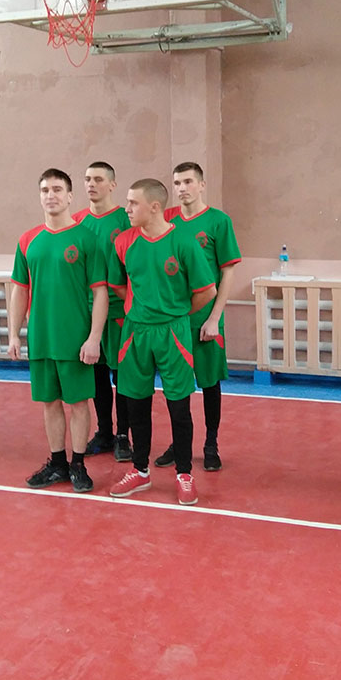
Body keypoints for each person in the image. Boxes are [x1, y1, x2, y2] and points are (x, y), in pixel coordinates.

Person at [107, 178, 217, 506]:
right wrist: (141, 309)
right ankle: (140, 470)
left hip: (173, 333)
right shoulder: (124, 242)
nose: (127, 209)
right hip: (135, 333)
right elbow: (118, 286)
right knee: (135, 403)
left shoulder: (183, 242)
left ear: (154, 207)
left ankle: (184, 473)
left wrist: (176, 313)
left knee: (179, 406)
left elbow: (207, 291)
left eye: (133, 203)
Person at [8, 169, 108, 493]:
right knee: (49, 403)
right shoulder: (28, 240)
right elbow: (20, 289)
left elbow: (101, 292)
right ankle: (58, 464)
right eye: (45, 190)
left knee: (79, 403)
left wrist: (94, 338)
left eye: (57, 189)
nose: (50, 195)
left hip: (75, 340)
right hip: (41, 338)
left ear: (69, 196)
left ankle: (78, 464)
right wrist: (13, 334)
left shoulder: (87, 239)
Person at [154, 162, 241, 472]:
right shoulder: (167, 219)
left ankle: (211, 443)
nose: (182, 188)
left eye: (188, 181)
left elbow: (227, 272)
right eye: (177, 183)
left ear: (202, 185)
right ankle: (180, 444)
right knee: (176, 386)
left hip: (205, 318)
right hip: (174, 319)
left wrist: (214, 317)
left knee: (209, 383)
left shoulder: (219, 221)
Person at [73, 161, 132, 462]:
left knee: (122, 376)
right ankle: (105, 432)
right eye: (87, 179)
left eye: (98, 179)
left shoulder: (125, 220)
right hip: (87, 310)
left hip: (119, 310)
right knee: (95, 374)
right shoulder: (76, 222)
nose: (91, 184)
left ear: (112, 185)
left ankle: (123, 435)